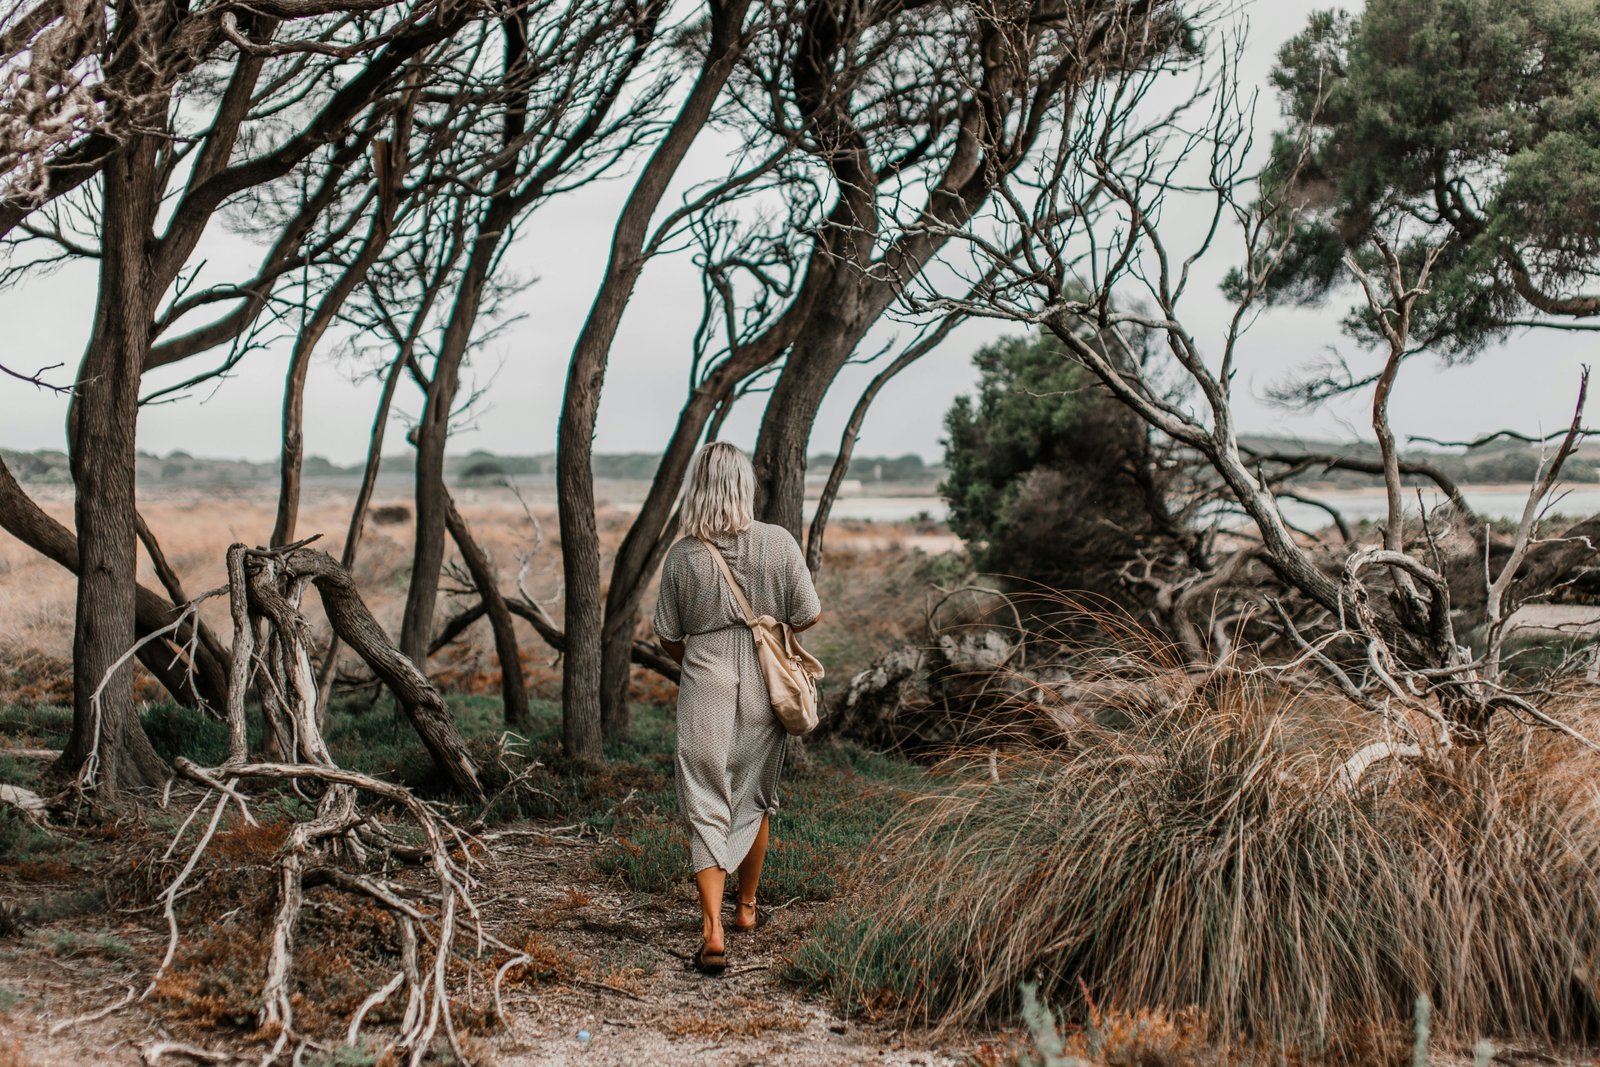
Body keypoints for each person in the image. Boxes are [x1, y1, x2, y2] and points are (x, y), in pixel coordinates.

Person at [652, 442, 822, 975]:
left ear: (697, 487)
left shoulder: (681, 555)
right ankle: (746, 909)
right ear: (744, 485)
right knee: (753, 794)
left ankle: (712, 929)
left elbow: (665, 635)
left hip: (705, 682)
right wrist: (767, 630)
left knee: (705, 796)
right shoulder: (778, 542)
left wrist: (702, 653)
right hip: (766, 688)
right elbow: (808, 614)